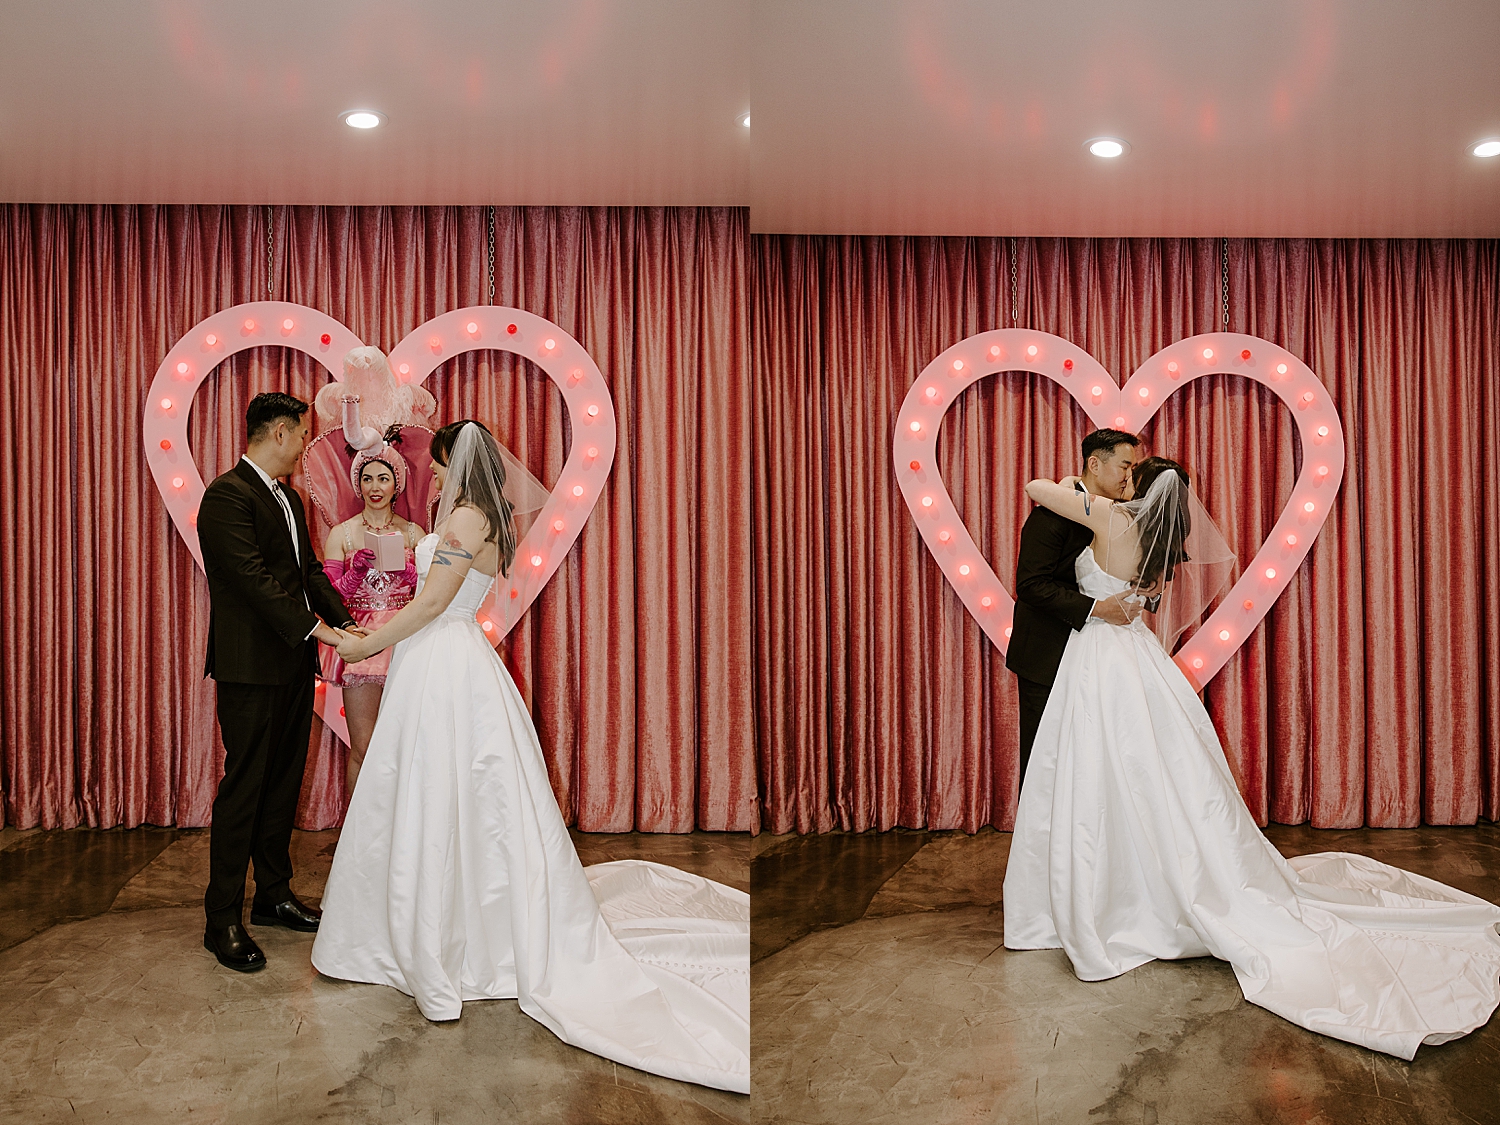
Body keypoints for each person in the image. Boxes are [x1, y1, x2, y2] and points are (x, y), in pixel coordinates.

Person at [1003, 456, 1500, 1059]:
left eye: (1134, 472)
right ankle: (1150, 878)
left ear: (1141, 487)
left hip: (1099, 659)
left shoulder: (1108, 515)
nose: (1125, 477)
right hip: (1135, 656)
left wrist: (1078, 487)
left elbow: (1035, 486)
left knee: (1095, 770)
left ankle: (1109, 888)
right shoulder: (1155, 538)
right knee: (1153, 769)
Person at [310, 420, 749, 1093]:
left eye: (439, 461)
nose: (433, 471)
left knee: (442, 789)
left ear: (457, 461)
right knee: (445, 791)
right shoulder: (479, 516)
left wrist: (367, 644)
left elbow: (433, 602)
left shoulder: (465, 517)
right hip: (442, 661)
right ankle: (457, 917)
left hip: (443, 662)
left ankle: (445, 933)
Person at [197, 392, 359, 972]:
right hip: (248, 668)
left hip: (292, 664)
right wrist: (322, 630)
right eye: (302, 435)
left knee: (283, 783)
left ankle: (272, 895)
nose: (305, 446)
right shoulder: (226, 495)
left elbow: (306, 571)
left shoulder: (288, 497)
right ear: (280, 433)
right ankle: (221, 919)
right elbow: (252, 580)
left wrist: (345, 621)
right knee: (244, 788)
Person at [1005, 429, 1143, 782]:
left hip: (1098, 657)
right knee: (1045, 759)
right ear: (1095, 464)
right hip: (1047, 653)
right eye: (1125, 466)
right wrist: (1097, 608)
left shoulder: (1117, 514)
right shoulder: (1052, 513)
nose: (1129, 475)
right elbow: (1031, 585)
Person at [318, 433, 423, 794]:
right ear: (358, 484)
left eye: (383, 478)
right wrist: (355, 574)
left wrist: (409, 573)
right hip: (362, 642)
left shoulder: (415, 534)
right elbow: (329, 597)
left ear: (397, 484)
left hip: (407, 641)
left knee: (407, 749)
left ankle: (402, 824)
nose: (375, 487)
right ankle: (358, 828)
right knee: (363, 749)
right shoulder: (342, 535)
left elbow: (431, 594)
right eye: (367, 479)